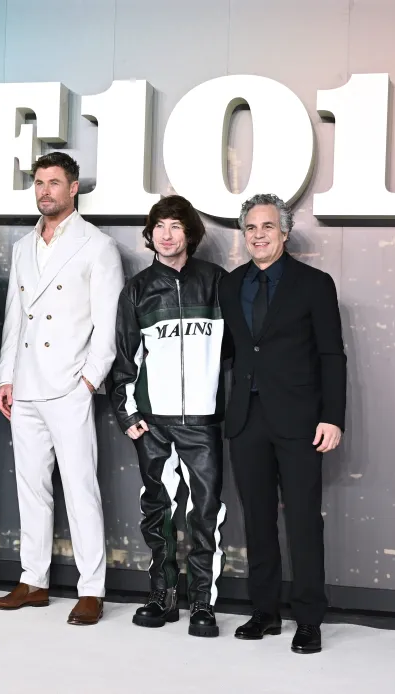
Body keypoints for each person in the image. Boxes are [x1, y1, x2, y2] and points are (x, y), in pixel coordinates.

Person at [0, 152, 124, 626]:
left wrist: (88, 381)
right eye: (39, 183)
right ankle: (34, 580)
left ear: (74, 188)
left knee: (81, 488)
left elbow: (109, 326)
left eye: (53, 183)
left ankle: (91, 589)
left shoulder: (97, 246)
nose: (45, 191)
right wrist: (7, 377)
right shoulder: (24, 246)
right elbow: (13, 317)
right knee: (32, 488)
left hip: (69, 385)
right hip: (25, 386)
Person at [219, 193, 346, 654]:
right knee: (256, 521)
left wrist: (333, 417)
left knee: (304, 523)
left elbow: (332, 354)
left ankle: (309, 619)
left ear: (285, 232)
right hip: (246, 420)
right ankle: (265, 612)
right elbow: (230, 351)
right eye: (251, 227)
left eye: (267, 227)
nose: (258, 235)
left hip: (300, 421)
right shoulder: (230, 285)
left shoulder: (314, 284)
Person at [109, 195, 231, 637]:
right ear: (150, 234)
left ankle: (203, 603)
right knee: (158, 514)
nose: (166, 234)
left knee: (205, 514)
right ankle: (161, 597)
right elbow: (123, 360)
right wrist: (128, 416)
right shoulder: (138, 289)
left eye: (175, 226)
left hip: (203, 423)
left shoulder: (218, 284)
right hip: (154, 425)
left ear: (189, 234)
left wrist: (229, 413)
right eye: (159, 226)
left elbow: (236, 358)